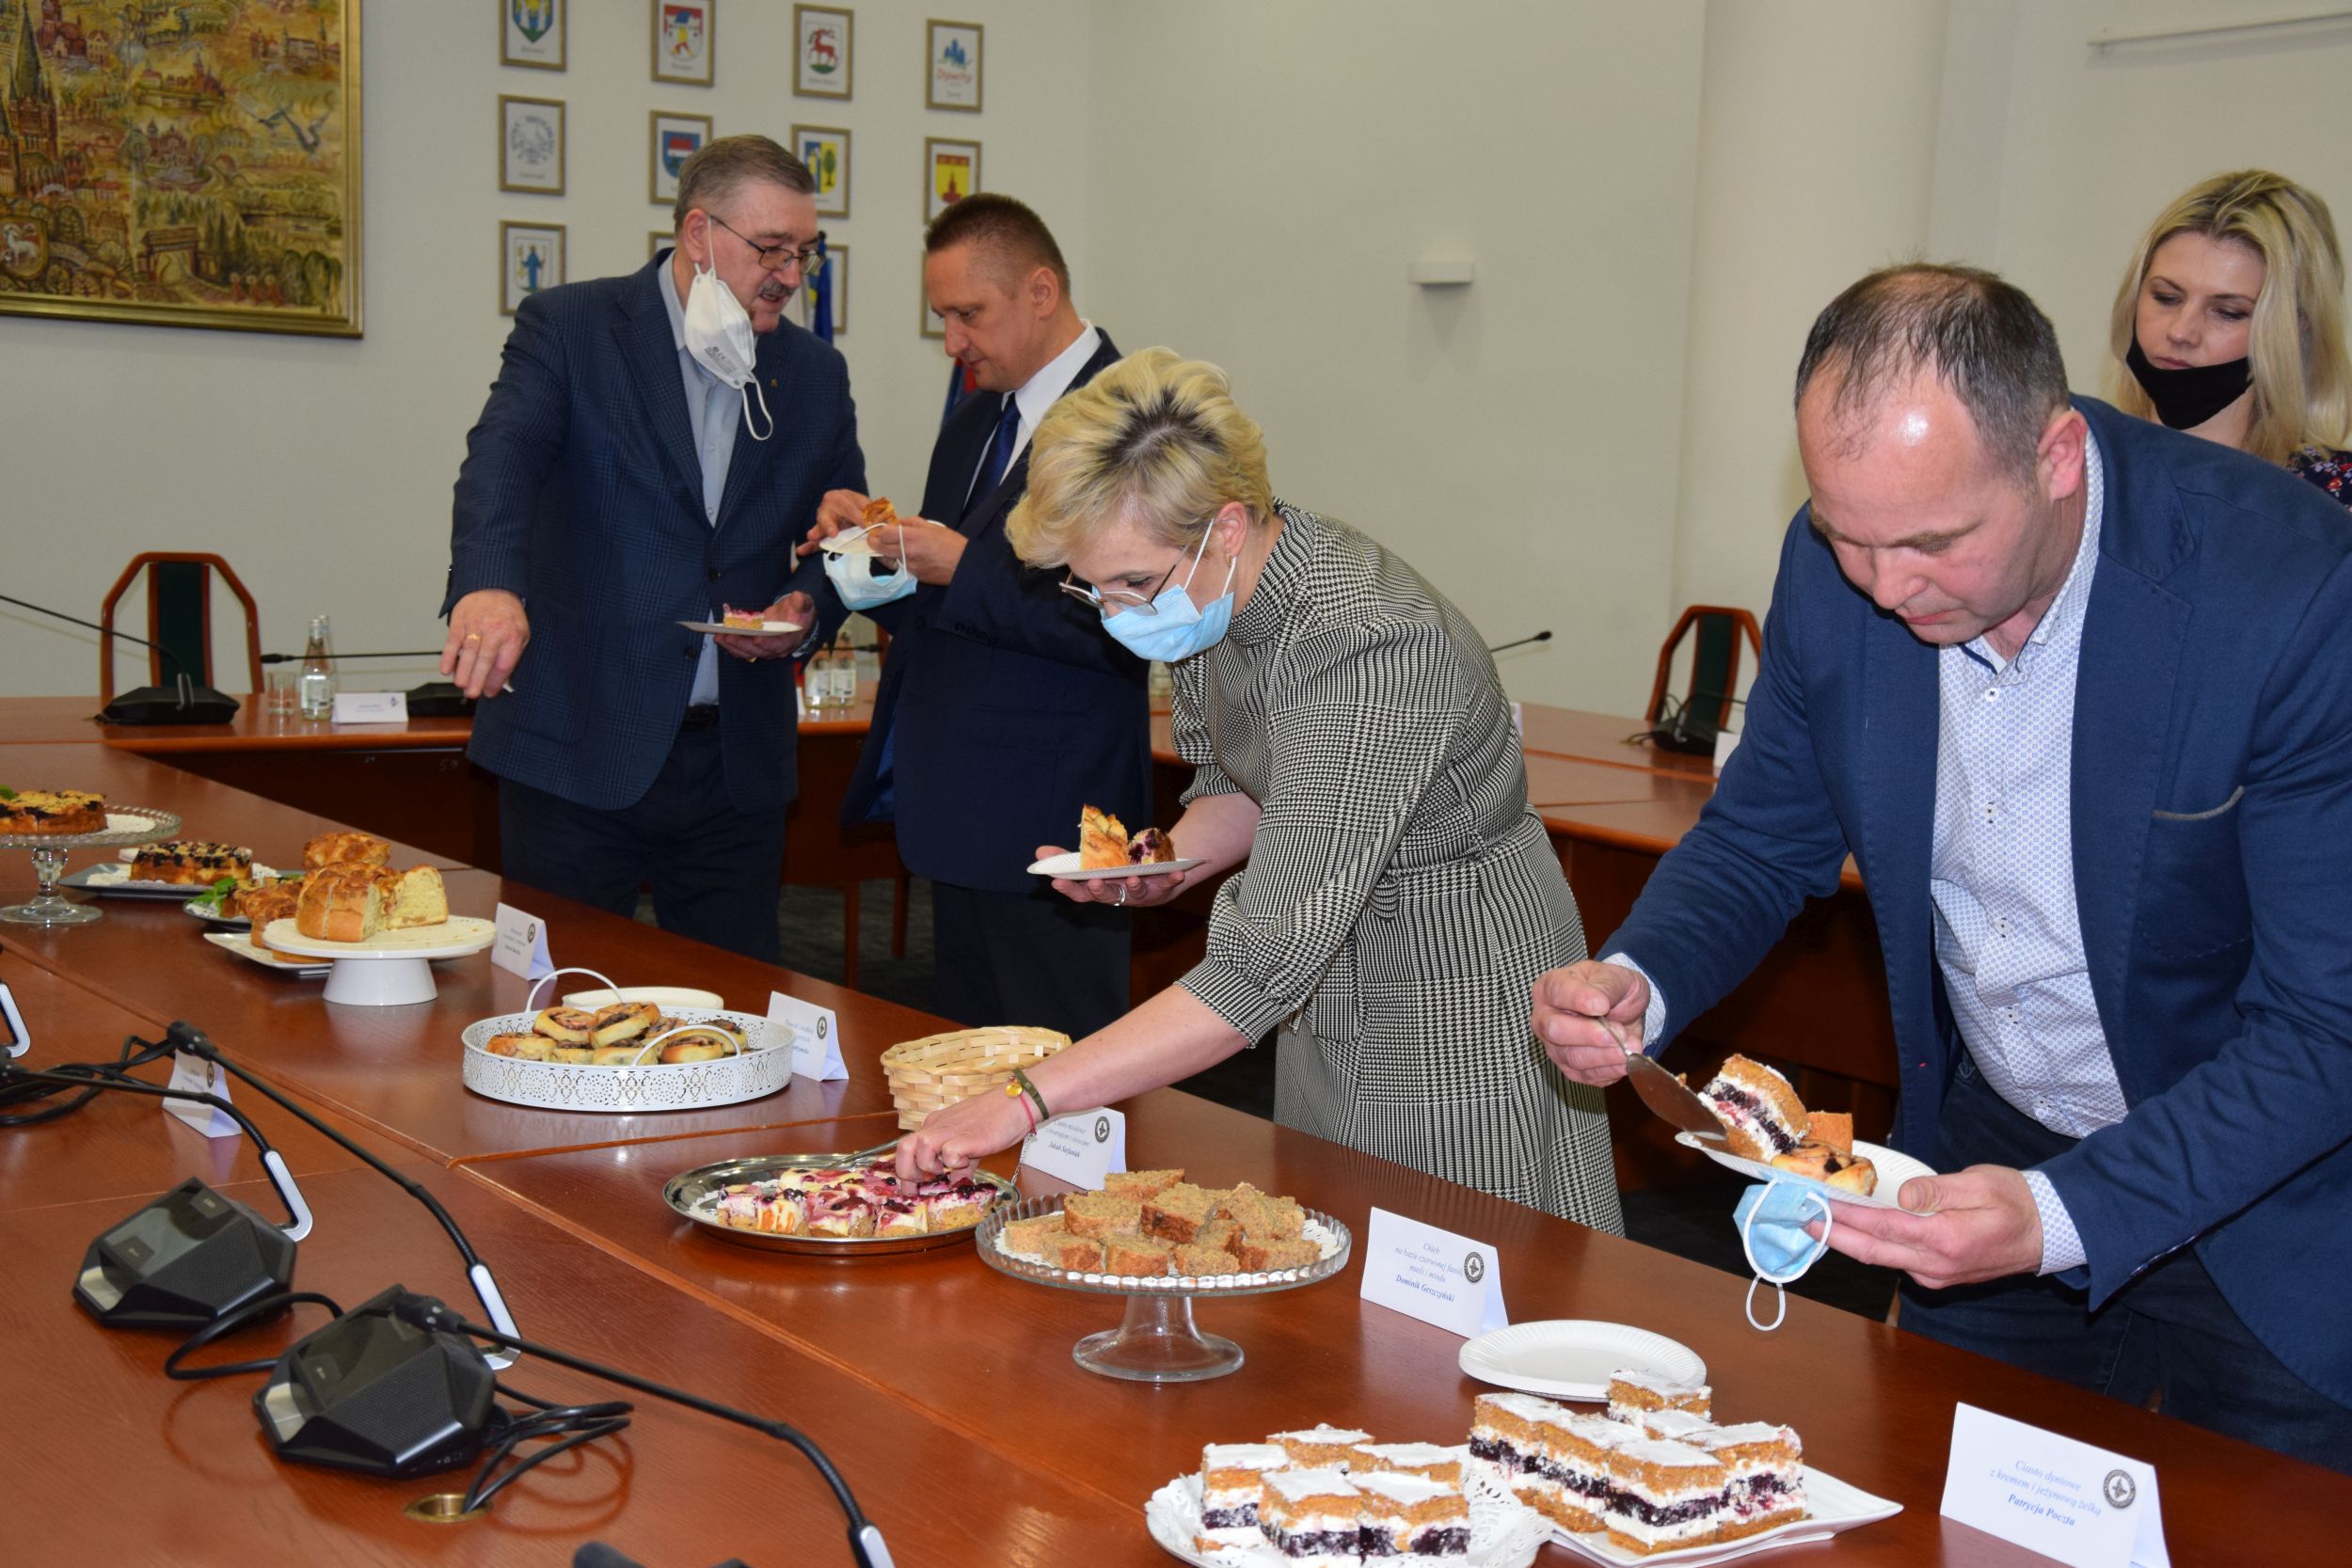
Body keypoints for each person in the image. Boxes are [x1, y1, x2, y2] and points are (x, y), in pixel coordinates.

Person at [1533, 263, 2352, 1470]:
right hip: (1990, 1156)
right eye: (1848, 537)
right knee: (1948, 1508)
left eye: (1933, 542)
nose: (1885, 586)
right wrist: (1638, 979)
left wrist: (2063, 1213)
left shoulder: (2287, 589)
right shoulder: (1841, 564)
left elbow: (2328, 1022)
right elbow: (1762, 835)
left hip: (2268, 1199)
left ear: (2056, 456)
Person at [895, 349, 1623, 1228]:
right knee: (1332, 1230)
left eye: (1134, 584)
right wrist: (1162, 863)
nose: (1119, 615)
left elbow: (1256, 967)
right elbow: (1243, 786)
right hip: (1326, 980)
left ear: (1228, 527)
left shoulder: (1369, 646)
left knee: (1449, 1258)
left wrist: (1024, 1099)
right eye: (1094, 592)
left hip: (1455, 992)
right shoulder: (1219, 595)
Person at [440, 135, 863, 962]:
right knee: (554, 999)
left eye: (804, 253)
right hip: (577, 742)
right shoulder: (572, 327)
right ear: (699, 234)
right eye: (771, 249)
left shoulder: (815, 373)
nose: (790, 274)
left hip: (735, 764)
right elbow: (500, 464)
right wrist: (488, 584)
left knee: (736, 1009)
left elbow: (845, 527)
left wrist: (807, 605)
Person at [803, 195, 1147, 1039]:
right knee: (970, 1072)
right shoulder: (973, 422)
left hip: (1058, 821)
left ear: (1041, 291)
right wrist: (870, 555)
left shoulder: (1131, 421)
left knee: (1064, 1074)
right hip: (954, 811)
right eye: (943, 319)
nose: (953, 341)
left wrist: (964, 565)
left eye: (969, 314)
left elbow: (1126, 626)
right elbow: (949, 614)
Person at [2107, 169, 2352, 507]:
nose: (2180, 332)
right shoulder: (2071, 467)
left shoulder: (2332, 500)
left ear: (2295, 327)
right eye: (2166, 297)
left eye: (2228, 312)